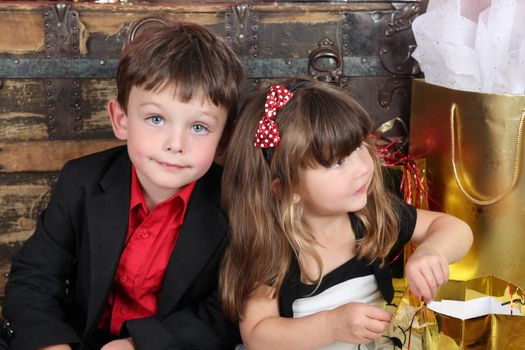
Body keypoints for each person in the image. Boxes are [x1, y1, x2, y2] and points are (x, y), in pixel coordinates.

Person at [3, 21, 244, 350]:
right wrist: (54, 344)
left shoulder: (234, 205)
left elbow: (224, 312)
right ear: (121, 120)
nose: (176, 144)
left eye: (199, 127)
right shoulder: (81, 181)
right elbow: (34, 278)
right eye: (156, 119)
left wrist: (137, 345)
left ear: (224, 138)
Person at [219, 78, 473, 349]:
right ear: (284, 188)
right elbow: (258, 335)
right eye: (338, 162)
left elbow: (456, 230)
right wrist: (331, 326)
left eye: (360, 146)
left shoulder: (370, 215)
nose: (362, 167)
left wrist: (431, 252)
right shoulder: (272, 246)